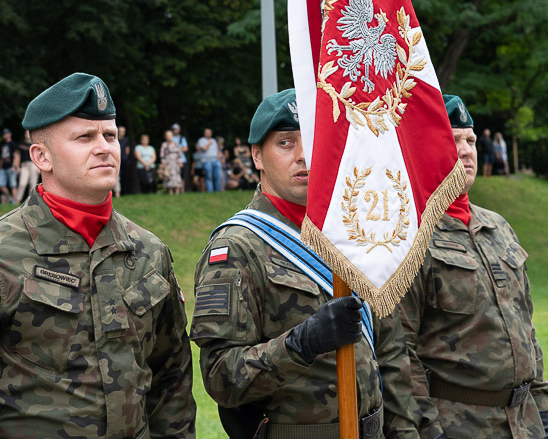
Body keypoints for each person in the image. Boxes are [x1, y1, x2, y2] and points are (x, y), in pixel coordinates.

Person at [0, 72, 195, 439]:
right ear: (41, 155)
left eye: (110, 135)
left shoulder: (148, 253)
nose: (104, 146)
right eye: (84, 137)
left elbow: (171, 380)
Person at [191, 88, 418, 439]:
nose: (303, 155)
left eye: (311, 139)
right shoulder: (237, 247)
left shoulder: (353, 234)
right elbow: (222, 377)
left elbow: (388, 351)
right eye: (285, 143)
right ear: (257, 156)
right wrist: (301, 344)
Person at [396, 95, 548, 439]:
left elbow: (524, 324)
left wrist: (542, 400)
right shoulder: (410, 235)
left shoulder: (498, 226)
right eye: (453, 140)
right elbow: (398, 348)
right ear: (426, 148)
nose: (466, 150)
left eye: (469, 140)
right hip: (458, 423)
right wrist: (425, 425)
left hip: (522, 420)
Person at [14, 130, 40, 202]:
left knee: (33, 183)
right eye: (26, 133)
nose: (27, 134)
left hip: (34, 165)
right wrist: (17, 166)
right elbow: (17, 156)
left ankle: (31, 201)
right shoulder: (20, 144)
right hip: (24, 165)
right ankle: (17, 200)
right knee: (22, 183)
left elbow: (38, 155)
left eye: (29, 133)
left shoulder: (35, 144)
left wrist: (39, 167)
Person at [0, 128, 19, 204]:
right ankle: (10, 198)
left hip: (11, 167)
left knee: (13, 185)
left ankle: (15, 201)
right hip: (3, 168)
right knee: (0, 185)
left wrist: (14, 166)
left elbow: (16, 155)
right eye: (3, 134)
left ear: (10, 134)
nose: (4, 135)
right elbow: (1, 158)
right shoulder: (3, 145)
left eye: (6, 134)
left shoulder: (13, 144)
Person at [195, 128, 222, 192]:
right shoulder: (201, 140)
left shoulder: (214, 140)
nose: (208, 134)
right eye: (207, 133)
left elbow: (216, 150)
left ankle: (218, 191)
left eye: (209, 133)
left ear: (211, 133)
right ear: (204, 133)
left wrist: (219, 156)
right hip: (206, 161)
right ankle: (210, 191)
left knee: (218, 176)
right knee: (209, 177)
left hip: (215, 160)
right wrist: (209, 143)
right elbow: (204, 149)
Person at [160, 129, 184, 195]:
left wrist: (180, 162)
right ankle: (170, 191)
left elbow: (179, 154)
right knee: (169, 176)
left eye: (170, 136)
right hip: (168, 162)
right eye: (167, 136)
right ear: (165, 137)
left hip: (176, 162)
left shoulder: (176, 144)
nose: (169, 137)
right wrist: (163, 163)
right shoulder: (164, 145)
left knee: (177, 175)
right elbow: (162, 155)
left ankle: (177, 191)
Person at [171, 123, 190, 193]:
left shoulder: (182, 138)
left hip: (182, 159)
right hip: (173, 160)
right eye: (174, 129)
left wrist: (176, 149)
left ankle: (182, 190)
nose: (175, 130)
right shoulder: (170, 138)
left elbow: (186, 148)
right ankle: (175, 191)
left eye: (176, 129)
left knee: (182, 176)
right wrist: (180, 148)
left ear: (179, 130)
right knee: (174, 175)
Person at [118, 125, 132, 196]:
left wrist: (125, 157)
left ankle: (124, 191)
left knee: (124, 176)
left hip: (124, 159)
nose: (121, 132)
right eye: (120, 131)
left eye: (123, 131)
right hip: (117, 159)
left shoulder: (126, 140)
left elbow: (127, 151)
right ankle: (117, 192)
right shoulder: (115, 140)